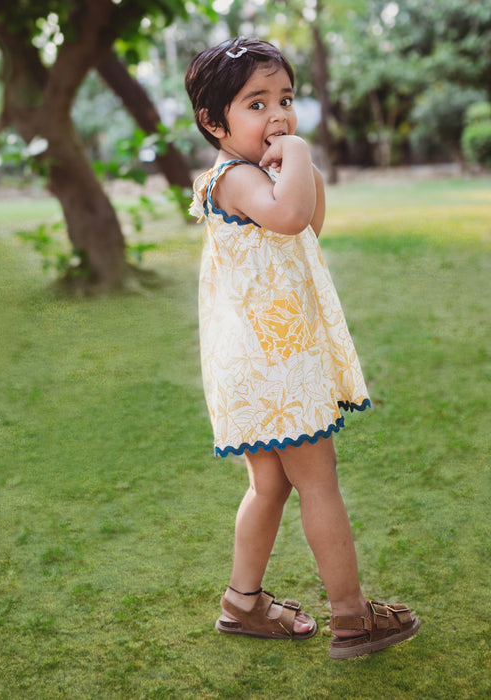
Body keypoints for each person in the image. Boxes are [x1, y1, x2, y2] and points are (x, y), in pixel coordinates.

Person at [184, 37, 419, 659]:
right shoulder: (234, 178)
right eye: (256, 104)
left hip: (269, 358)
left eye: (285, 99)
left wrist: (296, 163)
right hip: (272, 364)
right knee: (318, 481)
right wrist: (302, 152)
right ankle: (352, 617)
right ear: (215, 123)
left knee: (272, 485)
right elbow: (290, 220)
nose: (278, 115)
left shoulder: (261, 174)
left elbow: (309, 220)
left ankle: (242, 603)